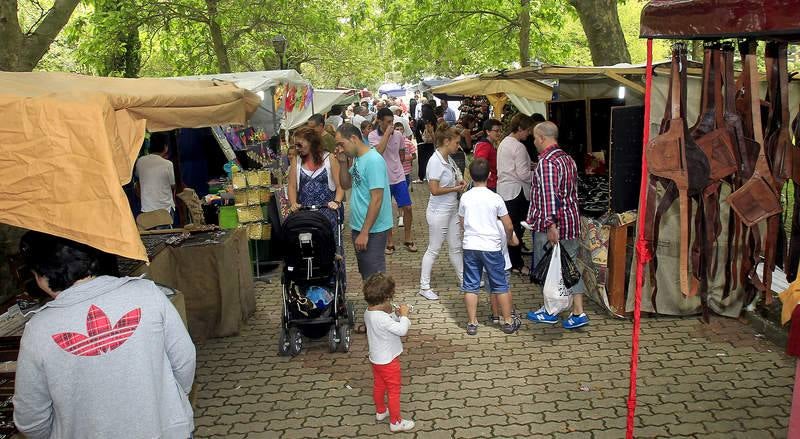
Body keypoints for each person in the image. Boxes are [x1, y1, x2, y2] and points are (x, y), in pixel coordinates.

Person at [13, 231, 195, 438]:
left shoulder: (38, 329)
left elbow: (31, 418)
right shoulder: (147, 293)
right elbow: (184, 360)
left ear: (42, 275)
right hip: (166, 430)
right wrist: (169, 404)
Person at [522, 121, 588, 329]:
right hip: (570, 221)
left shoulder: (547, 163)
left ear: (542, 138)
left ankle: (550, 310)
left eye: (535, 137)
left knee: (548, 267)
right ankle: (578, 311)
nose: (534, 141)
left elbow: (550, 197)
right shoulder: (568, 159)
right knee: (570, 266)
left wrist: (551, 225)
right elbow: (571, 193)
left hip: (553, 225)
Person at [459, 159, 521, 335]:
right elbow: (508, 225)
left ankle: (472, 323)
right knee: (500, 284)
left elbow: (462, 222)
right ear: (490, 175)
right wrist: (508, 239)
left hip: (471, 245)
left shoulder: (465, 197)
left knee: (470, 285)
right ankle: (508, 321)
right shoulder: (495, 198)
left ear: (471, 176)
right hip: (491, 247)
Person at [336, 123, 393, 280]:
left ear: (353, 139)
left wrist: (365, 232)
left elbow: (377, 198)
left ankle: (380, 304)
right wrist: (342, 163)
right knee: (367, 273)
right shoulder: (357, 159)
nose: (340, 149)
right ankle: (374, 304)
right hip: (359, 226)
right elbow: (346, 185)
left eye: (341, 144)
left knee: (375, 278)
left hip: (372, 230)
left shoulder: (373, 160)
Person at [419, 125, 466, 301]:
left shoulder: (448, 159)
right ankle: (424, 286)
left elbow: (457, 174)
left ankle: (464, 280)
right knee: (434, 249)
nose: (458, 146)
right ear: (446, 142)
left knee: (455, 246)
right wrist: (456, 188)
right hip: (439, 211)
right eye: (456, 142)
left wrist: (460, 181)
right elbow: (434, 190)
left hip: (451, 208)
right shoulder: (435, 161)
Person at [363, 273, 414, 432]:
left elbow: (386, 323)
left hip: (376, 359)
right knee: (393, 390)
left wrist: (396, 315)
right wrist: (404, 315)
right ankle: (396, 422)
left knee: (379, 385)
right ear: (386, 297)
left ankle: (380, 411)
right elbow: (402, 330)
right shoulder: (382, 318)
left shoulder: (369, 312)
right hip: (389, 361)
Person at [287, 126, 345, 244]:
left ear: (311, 142)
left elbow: (340, 185)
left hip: (327, 213)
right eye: (295, 146)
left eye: (299, 145)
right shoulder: (296, 160)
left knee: (330, 249)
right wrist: (293, 203)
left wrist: (336, 202)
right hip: (305, 215)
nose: (297, 149)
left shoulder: (329, 159)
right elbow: (292, 186)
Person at [369, 108, 416, 254]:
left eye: (392, 122)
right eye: (388, 122)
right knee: (386, 210)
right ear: (380, 121)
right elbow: (378, 152)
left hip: (399, 177)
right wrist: (387, 135)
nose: (391, 125)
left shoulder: (399, 135)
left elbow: (401, 153)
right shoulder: (372, 135)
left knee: (407, 207)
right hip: (382, 179)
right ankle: (389, 241)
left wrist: (398, 165)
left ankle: (407, 238)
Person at [496, 113, 534, 275]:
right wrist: (538, 172)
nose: (529, 134)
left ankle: (509, 261)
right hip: (517, 192)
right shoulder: (518, 147)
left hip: (505, 191)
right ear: (520, 128)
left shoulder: (504, 142)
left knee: (508, 229)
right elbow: (524, 174)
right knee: (517, 230)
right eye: (527, 131)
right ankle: (516, 263)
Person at [135, 132, 176, 216]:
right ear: (165, 147)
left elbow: (138, 178)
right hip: (165, 210)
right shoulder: (168, 164)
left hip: (147, 209)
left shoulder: (140, 161)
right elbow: (173, 185)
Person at [473, 119, 503, 191]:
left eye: (500, 131)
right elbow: (480, 165)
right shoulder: (484, 145)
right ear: (488, 131)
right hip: (489, 184)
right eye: (496, 131)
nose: (499, 133)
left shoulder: (487, 144)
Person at [396, 122, 417, 189]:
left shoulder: (408, 142)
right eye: (397, 129)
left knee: (404, 189)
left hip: (406, 171)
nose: (399, 131)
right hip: (395, 172)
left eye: (401, 129)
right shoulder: (390, 142)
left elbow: (414, 156)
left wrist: (406, 158)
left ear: (403, 130)